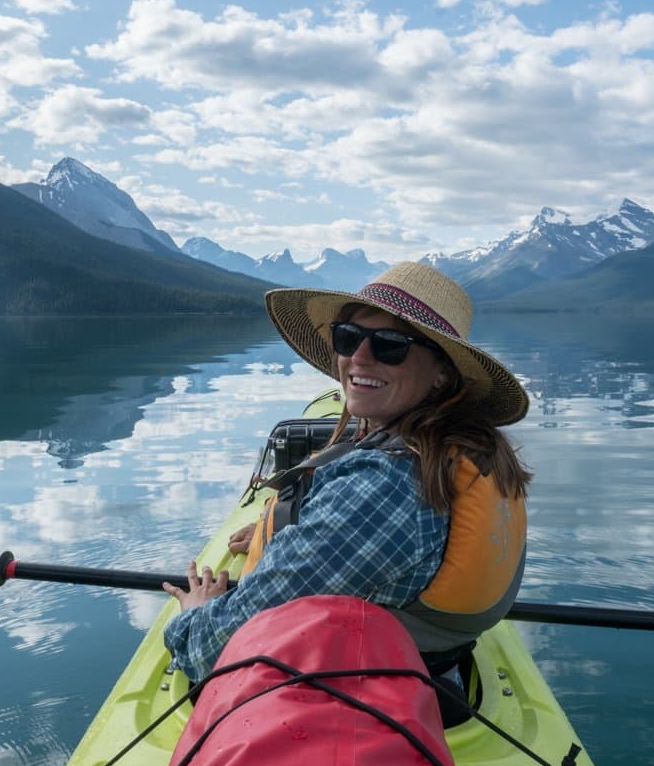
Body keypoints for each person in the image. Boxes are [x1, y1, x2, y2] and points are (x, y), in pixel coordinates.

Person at [161, 262, 532, 692]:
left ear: (443, 373)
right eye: (348, 337)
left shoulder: (387, 487)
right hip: (436, 667)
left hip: (359, 696)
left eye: (390, 345)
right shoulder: (463, 448)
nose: (358, 357)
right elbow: (353, 532)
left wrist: (194, 611)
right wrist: (282, 530)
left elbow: (212, 650)